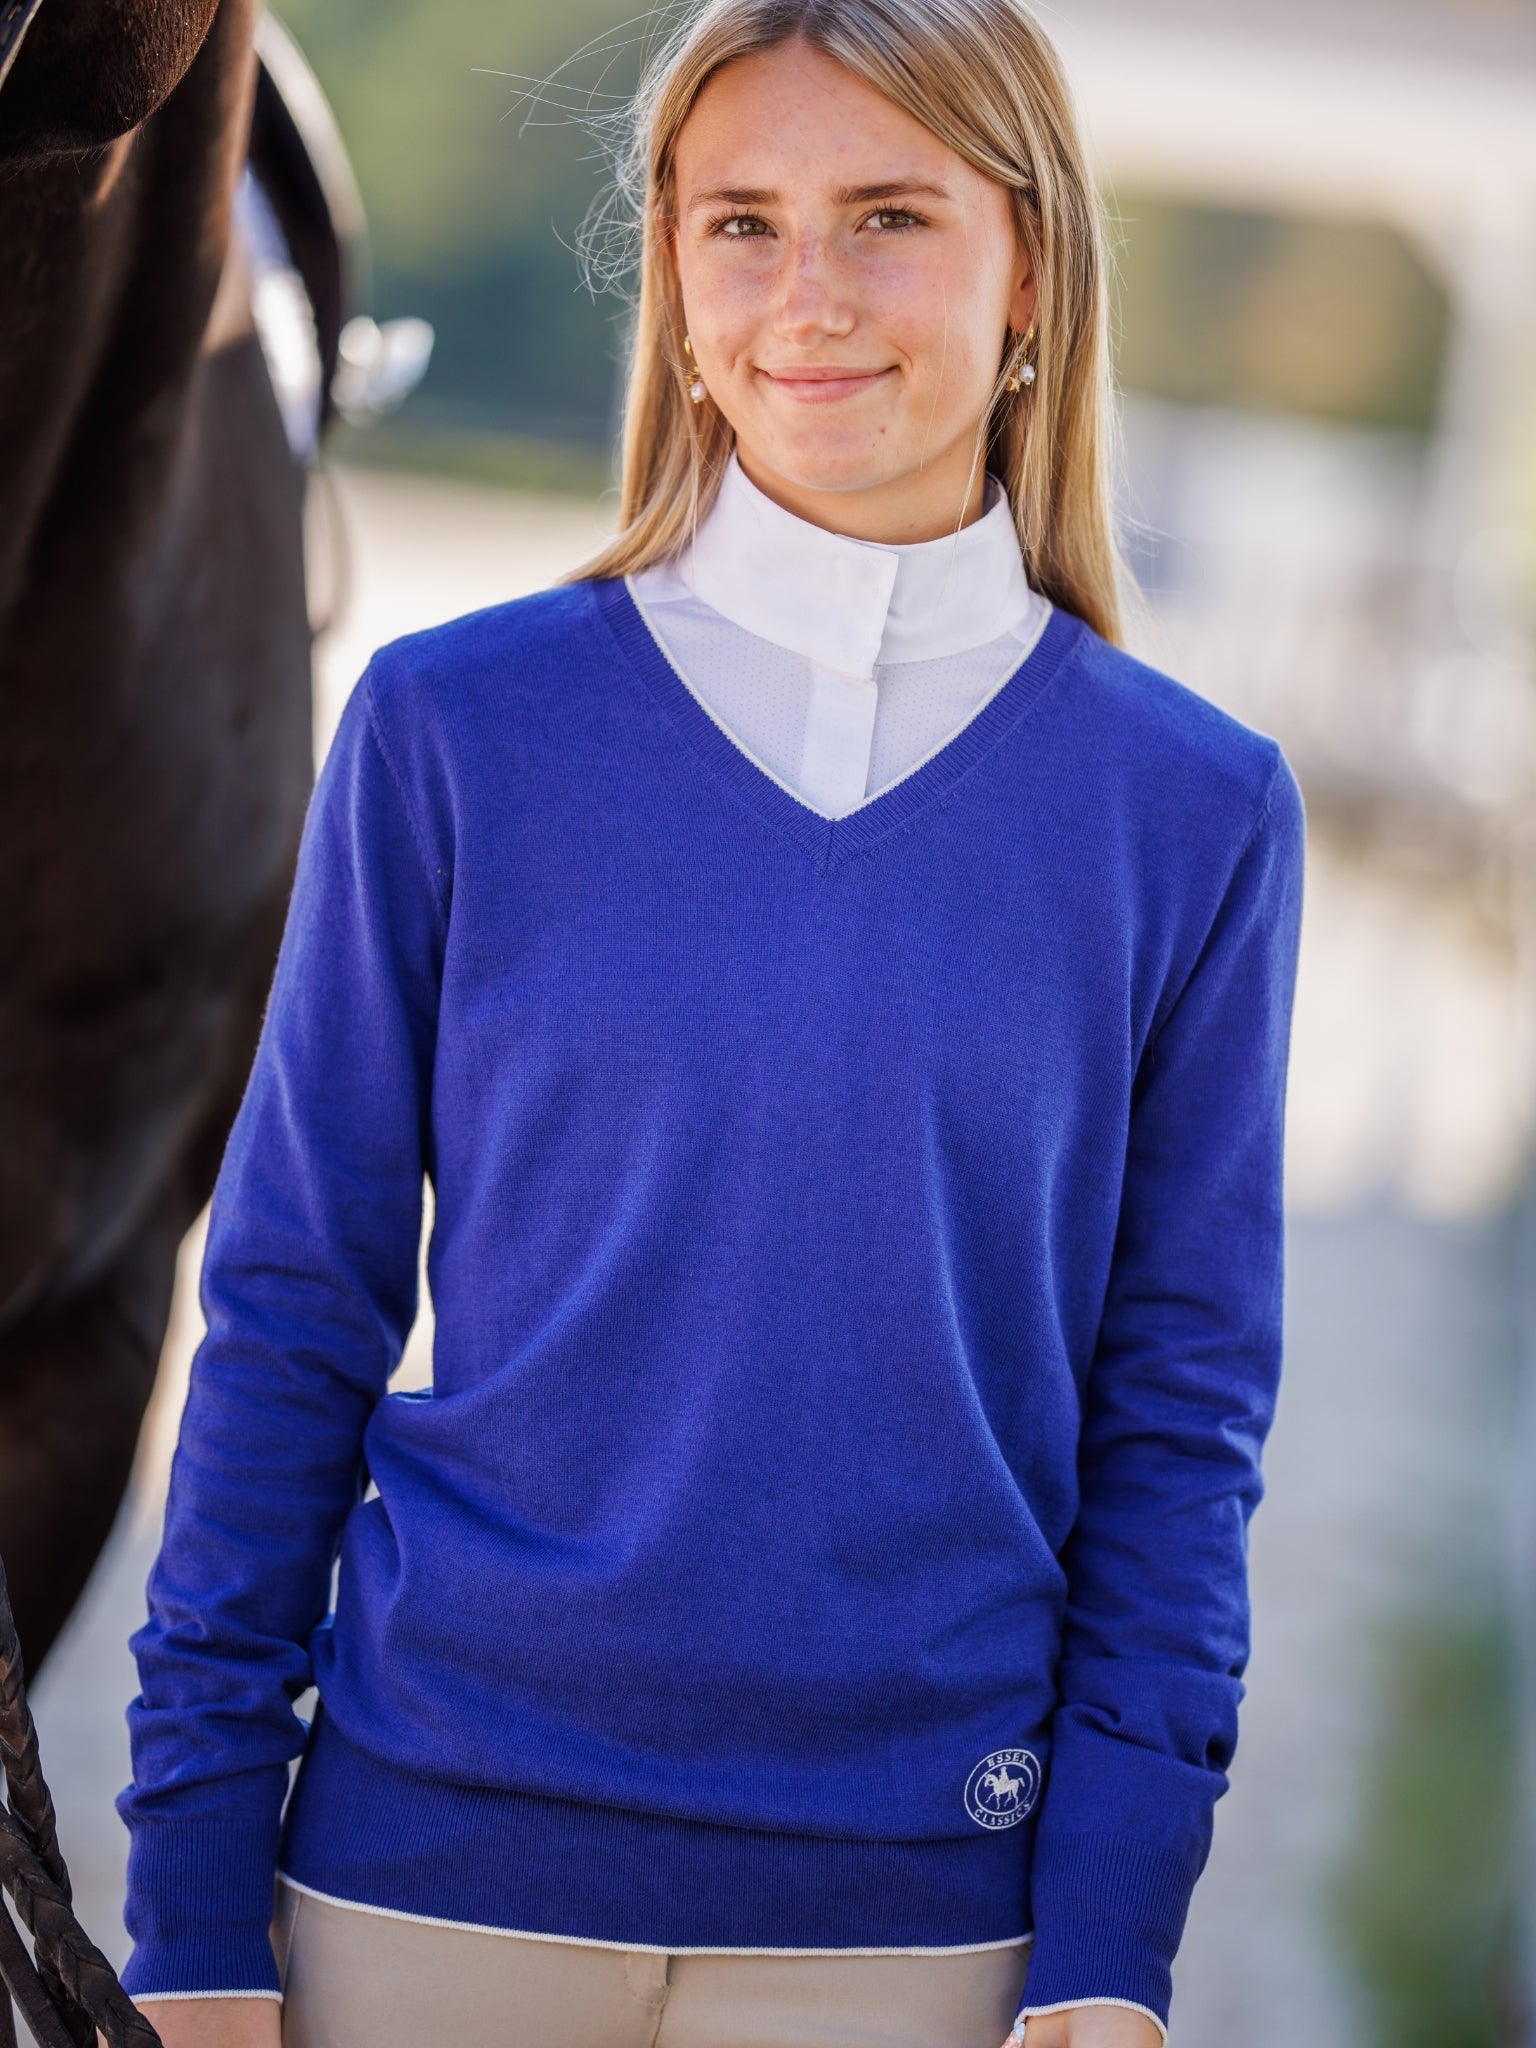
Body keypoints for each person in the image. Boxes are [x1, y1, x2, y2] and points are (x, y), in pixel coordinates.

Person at [116, 0, 1305, 2042]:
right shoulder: (452, 730)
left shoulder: (1189, 812)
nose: (807, 295)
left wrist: (1114, 1949)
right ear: (667, 280)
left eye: (891, 216)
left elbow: (1179, 1422)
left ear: (1034, 269)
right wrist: (194, 1907)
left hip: (924, 1929)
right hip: (418, 1894)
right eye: (738, 223)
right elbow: (292, 1314)